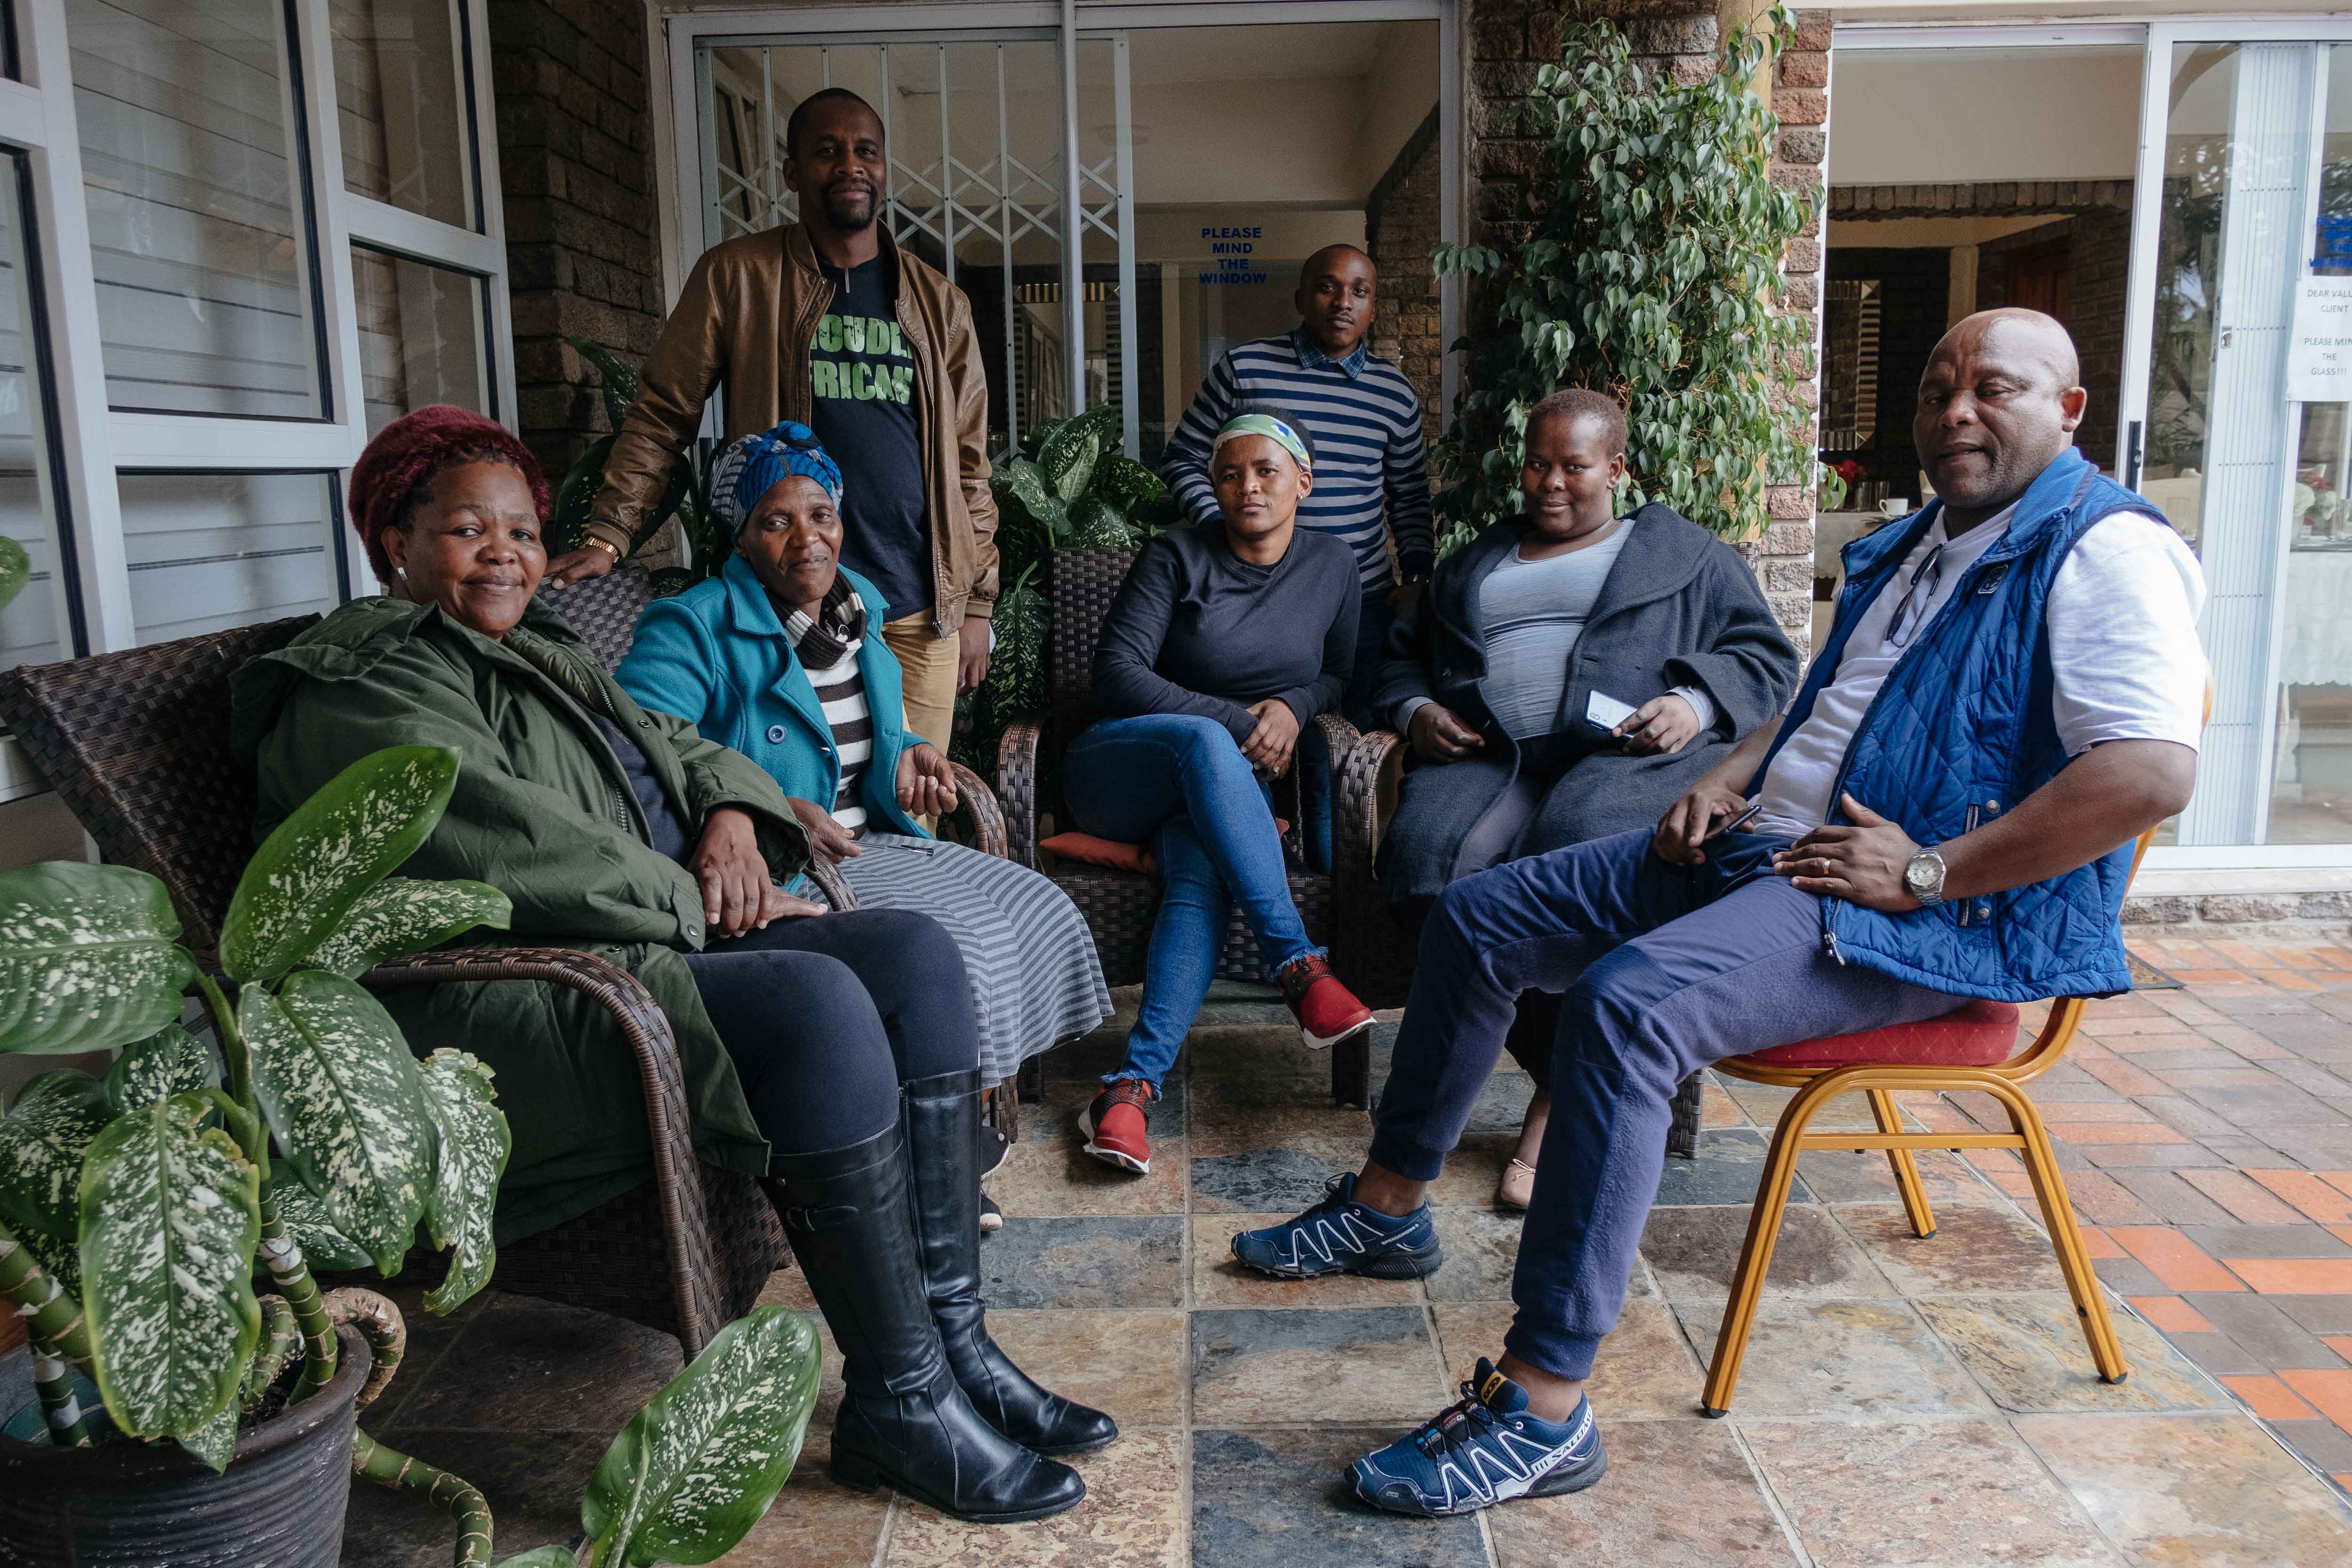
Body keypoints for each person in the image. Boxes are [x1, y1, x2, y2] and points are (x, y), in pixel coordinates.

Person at [1230, 310, 2209, 1518]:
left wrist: (1930, 872)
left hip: (1899, 909)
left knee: (1625, 1008)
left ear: (2065, 410)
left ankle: (1542, 1405)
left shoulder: (2105, 550)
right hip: (1757, 844)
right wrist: (1733, 772)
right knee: (1481, 916)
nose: (1957, 410)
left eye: (1993, 388)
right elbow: (1811, 706)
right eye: (1938, 386)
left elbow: (2148, 774)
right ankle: (1388, 1207)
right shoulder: (1915, 544)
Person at [233, 406, 1110, 1526]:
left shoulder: (533, 650)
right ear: (392, 544)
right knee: (817, 1002)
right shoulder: (365, 683)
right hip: (489, 997)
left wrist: (731, 817)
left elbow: (679, 744)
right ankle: (901, 1396)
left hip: (620, 935)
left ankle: (955, 1354)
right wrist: (687, 899)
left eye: (521, 530)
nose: (504, 551)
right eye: (467, 529)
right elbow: (499, 835)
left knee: (916, 955)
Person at [1374, 389, 1800, 1207]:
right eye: (1538, 463)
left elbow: (1765, 656)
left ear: (1617, 469)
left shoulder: (1685, 554)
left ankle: (1554, 1102)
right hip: (1493, 758)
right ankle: (1543, 1073)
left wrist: (1696, 703)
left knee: (1576, 856)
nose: (1551, 483)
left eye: (1575, 466)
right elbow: (1399, 660)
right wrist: (1416, 711)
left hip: (1624, 762)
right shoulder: (1476, 563)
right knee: (1428, 860)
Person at [614, 420, 1112, 1106]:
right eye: (776, 522)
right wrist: (763, 806)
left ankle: (964, 1115)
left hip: (865, 837)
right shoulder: (695, 624)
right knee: (953, 945)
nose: (807, 537)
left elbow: (872, 728)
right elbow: (638, 746)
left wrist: (911, 754)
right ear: (741, 538)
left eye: (821, 514)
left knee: (1037, 902)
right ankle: (934, 1132)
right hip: (781, 861)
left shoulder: (857, 612)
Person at [557, 87, 997, 759]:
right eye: (827, 152)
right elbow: (662, 412)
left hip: (915, 612)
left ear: (884, 170)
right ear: (792, 171)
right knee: (795, 806)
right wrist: (610, 532)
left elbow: (969, 467)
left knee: (912, 813)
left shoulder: (941, 304)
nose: (850, 165)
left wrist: (976, 606)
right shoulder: (737, 278)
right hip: (782, 606)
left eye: (865, 152)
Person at [1070, 407, 1378, 1176]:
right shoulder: (1175, 554)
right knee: (1208, 742)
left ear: (1302, 481)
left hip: (1221, 801)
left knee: (1198, 872)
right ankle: (1298, 964)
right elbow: (1118, 675)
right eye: (1231, 473)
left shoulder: (1335, 566)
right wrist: (1244, 722)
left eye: (1266, 470)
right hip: (1122, 771)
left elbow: (1339, 675)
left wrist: (1293, 709)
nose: (1248, 486)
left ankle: (1128, 1091)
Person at [1160, 245, 1433, 730]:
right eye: (1327, 287)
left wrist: (1416, 575)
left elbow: (1408, 493)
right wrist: (1220, 525)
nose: (1342, 302)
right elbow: (1182, 458)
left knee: (1351, 741)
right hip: (1251, 592)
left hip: (1361, 600)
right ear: (1300, 297)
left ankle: (1334, 811)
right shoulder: (1244, 369)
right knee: (1259, 737)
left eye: (1359, 292)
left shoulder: (1393, 393)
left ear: (1373, 307)